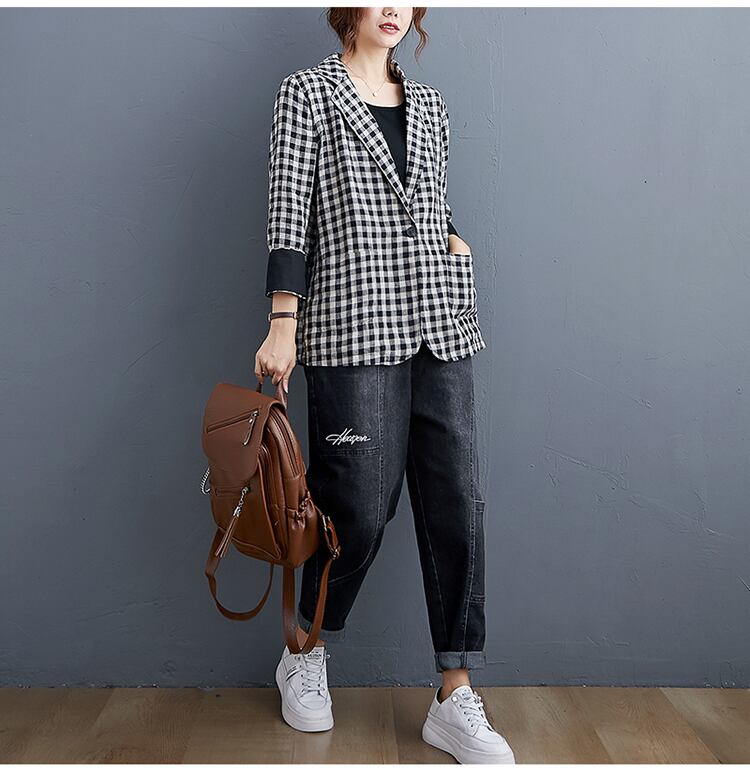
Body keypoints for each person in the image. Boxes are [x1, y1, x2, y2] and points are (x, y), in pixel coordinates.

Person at [255, 7, 515, 765]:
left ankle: (454, 693)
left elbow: (425, 200)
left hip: (441, 322)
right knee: (359, 508)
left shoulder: (430, 105)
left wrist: (454, 239)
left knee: (458, 503)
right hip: (352, 325)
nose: (394, 9)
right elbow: (288, 216)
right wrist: (281, 322)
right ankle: (303, 648)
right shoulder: (306, 94)